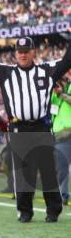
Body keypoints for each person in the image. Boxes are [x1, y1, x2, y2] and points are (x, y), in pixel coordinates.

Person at [0, 18, 70, 222]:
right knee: (23, 172)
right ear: (15, 53)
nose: (23, 54)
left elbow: (67, 61)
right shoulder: (6, 73)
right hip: (18, 128)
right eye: (19, 52)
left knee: (48, 171)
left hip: (42, 127)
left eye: (26, 51)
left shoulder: (46, 71)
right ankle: (25, 212)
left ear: (33, 52)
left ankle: (53, 211)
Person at [51, 77, 71, 206]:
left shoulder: (66, 91)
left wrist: (62, 94)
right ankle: (63, 195)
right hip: (60, 137)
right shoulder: (53, 96)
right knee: (62, 168)